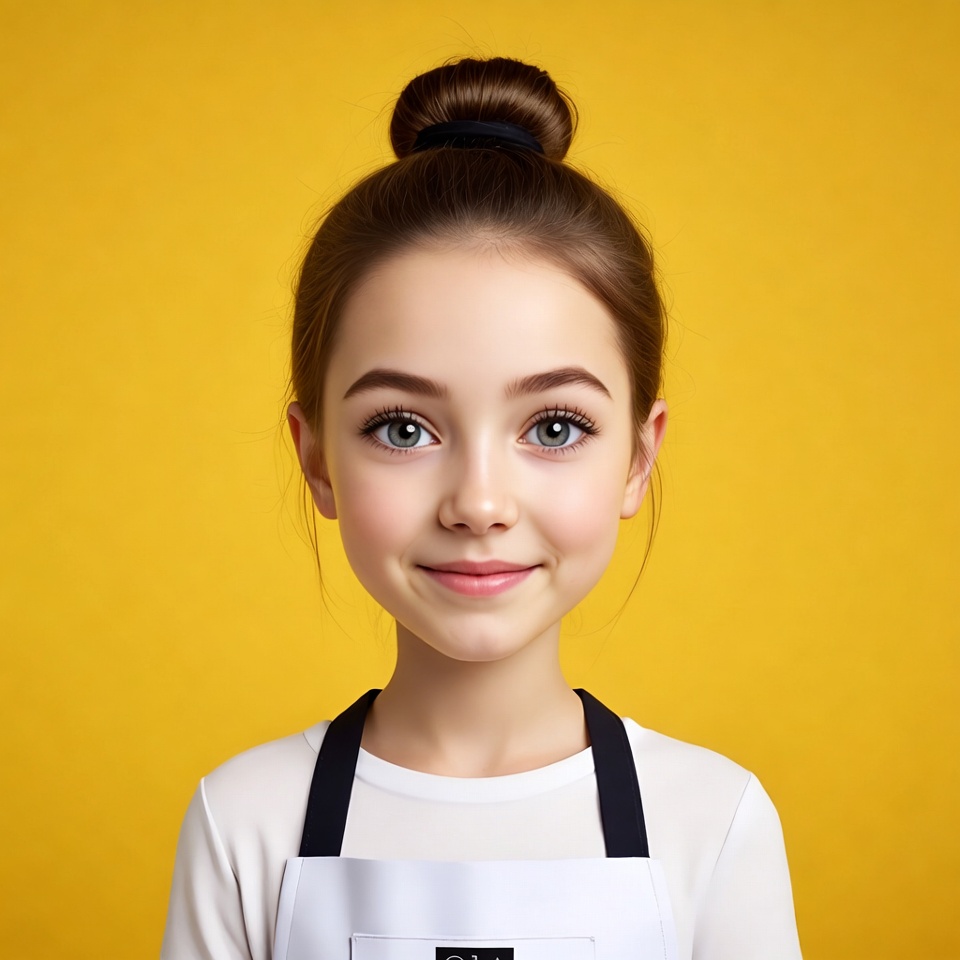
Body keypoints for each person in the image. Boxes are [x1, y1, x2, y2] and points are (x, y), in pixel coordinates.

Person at [161, 56, 803, 960]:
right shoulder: (244, 823)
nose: (479, 503)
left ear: (638, 456)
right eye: (402, 428)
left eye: (552, 426)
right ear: (316, 460)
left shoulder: (714, 821)